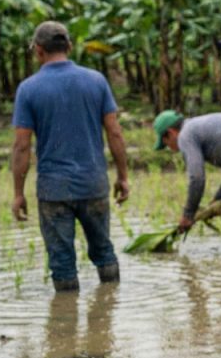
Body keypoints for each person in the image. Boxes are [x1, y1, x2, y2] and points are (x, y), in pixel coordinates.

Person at [10, 21, 131, 293]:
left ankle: (65, 315)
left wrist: (18, 193)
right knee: (104, 250)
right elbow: (114, 132)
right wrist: (123, 177)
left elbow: (21, 146)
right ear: (70, 47)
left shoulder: (28, 89)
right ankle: (110, 307)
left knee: (62, 262)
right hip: (93, 184)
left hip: (53, 190)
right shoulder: (96, 81)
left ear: (38, 50)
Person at [153, 109, 221, 256]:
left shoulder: (185, 135)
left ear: (170, 133)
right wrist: (219, 198)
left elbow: (197, 177)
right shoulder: (197, 127)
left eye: (166, 144)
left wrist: (188, 215)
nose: (171, 149)